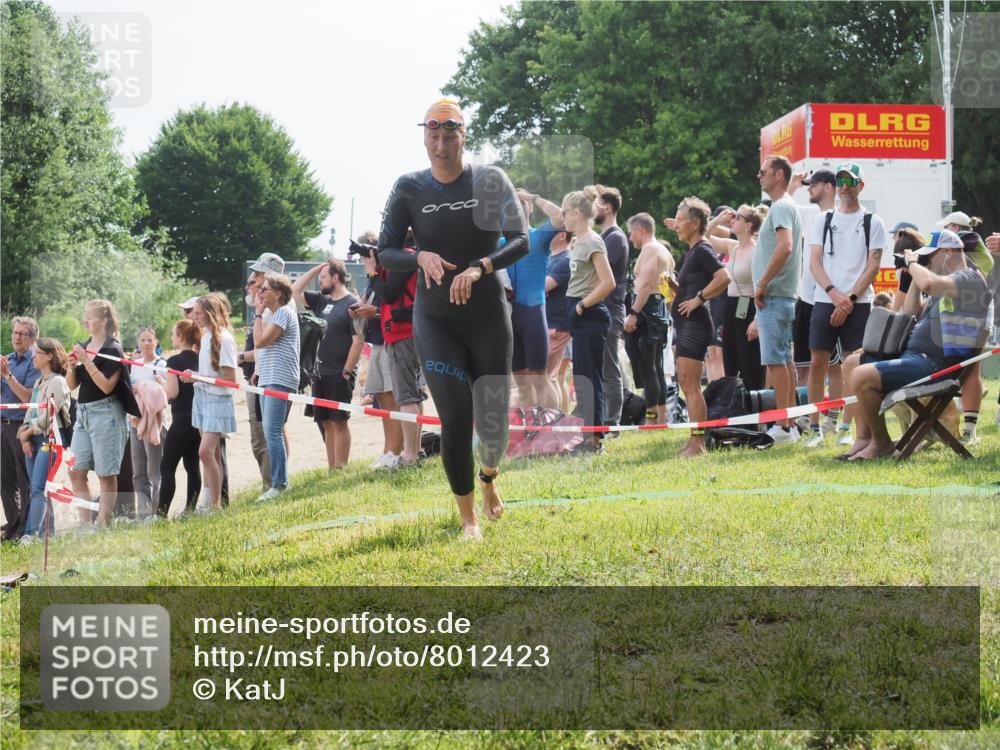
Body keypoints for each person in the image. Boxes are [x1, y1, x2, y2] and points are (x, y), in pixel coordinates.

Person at [377, 98, 528, 540]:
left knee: (494, 420)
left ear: (464, 136)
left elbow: (520, 241)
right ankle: (468, 517)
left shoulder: (489, 179)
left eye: (450, 134)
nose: (441, 145)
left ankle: (489, 477)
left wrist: (480, 267)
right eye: (433, 135)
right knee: (457, 418)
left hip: (487, 315)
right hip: (435, 318)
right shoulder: (408, 188)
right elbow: (384, 251)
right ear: (424, 136)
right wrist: (418, 255)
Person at [848, 229, 990, 460]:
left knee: (861, 375)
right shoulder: (943, 284)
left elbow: (928, 283)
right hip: (916, 358)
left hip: (937, 366)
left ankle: (881, 443)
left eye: (928, 257)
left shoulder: (969, 278)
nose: (926, 262)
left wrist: (914, 263)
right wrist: (913, 272)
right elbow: (911, 310)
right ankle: (864, 438)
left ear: (948, 252)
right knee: (851, 363)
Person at [804, 163, 887, 447]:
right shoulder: (823, 219)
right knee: (818, 362)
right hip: (825, 299)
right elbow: (814, 261)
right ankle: (814, 428)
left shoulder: (872, 221)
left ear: (861, 186)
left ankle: (845, 426)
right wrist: (833, 293)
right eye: (840, 181)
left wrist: (849, 299)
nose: (845, 187)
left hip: (859, 302)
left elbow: (873, 266)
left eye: (850, 182)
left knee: (852, 364)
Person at [668, 197, 732, 456]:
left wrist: (699, 298)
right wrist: (676, 288)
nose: (677, 225)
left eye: (680, 220)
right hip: (686, 322)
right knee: (686, 382)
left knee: (690, 383)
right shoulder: (692, 251)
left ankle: (699, 444)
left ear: (695, 223)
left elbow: (724, 276)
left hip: (695, 324)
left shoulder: (704, 249)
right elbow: (692, 285)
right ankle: (694, 440)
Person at [293, 258, 363, 471]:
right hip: (319, 372)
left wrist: (346, 371)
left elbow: (358, 341)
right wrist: (315, 271)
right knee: (324, 421)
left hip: (339, 372)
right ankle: (332, 467)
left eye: (323, 277)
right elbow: (295, 291)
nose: (320, 282)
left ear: (336, 277)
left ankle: (341, 467)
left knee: (339, 421)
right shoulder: (322, 301)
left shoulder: (352, 303)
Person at [66, 300, 131, 528]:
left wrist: (86, 360)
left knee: (105, 473)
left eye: (90, 317)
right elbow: (72, 385)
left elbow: (106, 386)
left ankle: (103, 524)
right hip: (83, 413)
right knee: (75, 470)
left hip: (106, 413)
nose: (86, 321)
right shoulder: (85, 345)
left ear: (103, 321)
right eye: (85, 316)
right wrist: (71, 366)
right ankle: (85, 524)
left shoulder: (114, 349)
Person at [752, 155, 803, 444]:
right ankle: (790, 424)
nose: (760, 176)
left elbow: (785, 246)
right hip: (781, 296)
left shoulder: (782, 206)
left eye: (764, 172)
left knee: (776, 362)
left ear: (779, 175)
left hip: (774, 295)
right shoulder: (785, 204)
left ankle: (784, 426)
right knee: (783, 361)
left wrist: (762, 282)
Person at [562, 189, 616, 449]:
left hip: (590, 314)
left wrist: (582, 305)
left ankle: (594, 439)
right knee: (581, 378)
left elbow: (609, 283)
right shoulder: (577, 240)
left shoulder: (593, 241)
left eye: (565, 212)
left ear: (577, 213)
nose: (562, 217)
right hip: (578, 313)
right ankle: (585, 436)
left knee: (590, 379)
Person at [351, 243, 405, 470]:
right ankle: (388, 450)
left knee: (394, 397)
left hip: (393, 340)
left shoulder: (390, 275)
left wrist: (374, 311)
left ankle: (397, 451)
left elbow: (393, 305)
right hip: (378, 341)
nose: (364, 261)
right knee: (382, 398)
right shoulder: (375, 278)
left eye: (366, 257)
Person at [937, 212, 990, 445]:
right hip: (960, 308)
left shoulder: (969, 240)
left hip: (973, 309)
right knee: (967, 368)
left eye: (947, 227)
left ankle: (970, 430)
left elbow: (985, 267)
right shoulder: (964, 244)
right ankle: (965, 429)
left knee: (972, 368)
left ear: (956, 227)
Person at [507, 189, 563, 408]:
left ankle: (552, 429)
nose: (516, 207)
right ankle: (531, 430)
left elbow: (559, 216)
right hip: (511, 319)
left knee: (541, 378)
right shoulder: (500, 243)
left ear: (529, 209)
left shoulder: (539, 237)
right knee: (521, 383)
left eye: (520, 204)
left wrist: (531, 197)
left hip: (533, 314)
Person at [705, 205, 767, 391]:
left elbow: (763, 287)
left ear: (749, 225)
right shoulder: (732, 246)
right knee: (729, 358)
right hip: (731, 305)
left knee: (749, 360)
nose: (733, 220)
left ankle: (754, 404)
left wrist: (757, 320)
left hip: (749, 305)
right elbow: (704, 237)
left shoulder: (757, 251)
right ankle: (734, 402)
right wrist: (717, 220)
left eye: (738, 218)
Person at [238, 253, 285, 490]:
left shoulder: (274, 311)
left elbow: (261, 345)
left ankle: (274, 485)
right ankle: (271, 484)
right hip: (258, 378)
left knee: (267, 437)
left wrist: (239, 357)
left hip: (269, 380)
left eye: (258, 275)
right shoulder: (266, 308)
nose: (253, 280)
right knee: (261, 438)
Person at [16, 338, 71, 541]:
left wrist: (28, 432)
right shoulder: (39, 382)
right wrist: (24, 435)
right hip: (34, 439)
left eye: (37, 353)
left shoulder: (58, 382)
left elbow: (49, 416)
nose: (33, 356)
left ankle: (31, 536)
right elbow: (30, 412)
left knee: (38, 488)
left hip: (51, 440)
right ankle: (49, 535)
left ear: (49, 356)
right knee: (39, 489)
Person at [252, 273, 300, 500]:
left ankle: (280, 484)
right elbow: (258, 343)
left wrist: (259, 314)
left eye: (265, 289)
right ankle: (278, 483)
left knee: (272, 430)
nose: (260, 292)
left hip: (280, 378)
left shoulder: (283, 312)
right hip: (268, 377)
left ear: (278, 293)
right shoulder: (272, 314)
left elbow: (261, 341)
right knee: (271, 430)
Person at [187, 294, 238, 511]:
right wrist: (196, 375)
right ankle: (208, 503)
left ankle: (215, 505)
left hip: (218, 399)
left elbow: (230, 379)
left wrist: (196, 377)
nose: (194, 317)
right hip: (203, 397)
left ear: (209, 313)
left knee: (204, 452)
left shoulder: (224, 339)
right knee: (212, 454)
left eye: (198, 313)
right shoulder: (206, 336)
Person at [624, 213, 674, 423]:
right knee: (657, 367)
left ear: (640, 230)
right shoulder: (664, 252)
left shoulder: (650, 249)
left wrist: (634, 313)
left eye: (630, 232)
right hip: (658, 309)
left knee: (649, 367)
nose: (630, 238)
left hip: (646, 311)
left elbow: (645, 285)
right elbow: (670, 290)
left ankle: (652, 419)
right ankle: (661, 418)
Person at [592, 185, 630, 426]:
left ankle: (612, 421)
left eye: (595, 203)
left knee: (609, 367)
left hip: (610, 309)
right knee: (602, 366)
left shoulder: (615, 238)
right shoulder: (604, 237)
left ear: (606, 207)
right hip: (601, 309)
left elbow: (598, 274)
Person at [1, 316, 39, 541]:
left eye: (22, 333)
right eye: (14, 333)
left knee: (24, 481)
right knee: (4, 480)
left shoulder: (36, 362)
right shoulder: (8, 360)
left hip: (21, 428)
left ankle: (25, 528)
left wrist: (7, 376)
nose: (16, 337)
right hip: (2, 426)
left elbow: (28, 397)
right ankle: (13, 524)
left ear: (32, 338)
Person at [158, 320, 202, 517]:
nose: (171, 337)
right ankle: (190, 509)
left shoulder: (174, 361)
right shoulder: (201, 358)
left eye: (174, 334)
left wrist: (162, 383)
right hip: (199, 417)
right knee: (192, 465)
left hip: (182, 417)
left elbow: (173, 392)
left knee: (167, 466)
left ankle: (161, 513)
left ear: (182, 336)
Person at [127, 326, 168, 518]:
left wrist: (142, 388)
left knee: (154, 471)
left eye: (149, 340)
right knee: (138, 471)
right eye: (142, 340)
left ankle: (156, 511)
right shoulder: (135, 364)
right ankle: (143, 513)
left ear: (156, 342)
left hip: (154, 422)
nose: (146, 344)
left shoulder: (161, 364)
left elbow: (163, 392)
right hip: (136, 420)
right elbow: (131, 387)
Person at [544, 229, 574, 412]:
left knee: (544, 378)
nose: (547, 235)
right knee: (551, 377)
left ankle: (553, 422)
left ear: (562, 235)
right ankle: (557, 420)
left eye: (551, 232)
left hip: (557, 327)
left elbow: (542, 286)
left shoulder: (566, 260)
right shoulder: (552, 258)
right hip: (548, 324)